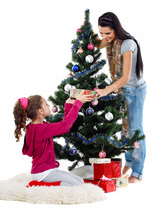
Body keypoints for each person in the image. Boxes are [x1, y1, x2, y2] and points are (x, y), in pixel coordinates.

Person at [95, 12, 147, 183]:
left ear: (116, 29)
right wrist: (85, 37)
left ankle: (137, 172)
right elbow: (96, 45)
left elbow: (124, 78)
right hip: (122, 91)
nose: (105, 37)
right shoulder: (111, 40)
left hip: (134, 91)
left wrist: (105, 91)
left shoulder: (127, 44)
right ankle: (129, 161)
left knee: (135, 131)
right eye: (101, 33)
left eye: (108, 33)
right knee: (125, 130)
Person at [13, 92, 93, 186]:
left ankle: (43, 183)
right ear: (40, 111)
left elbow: (63, 127)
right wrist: (77, 103)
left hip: (49, 170)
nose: (49, 105)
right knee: (75, 185)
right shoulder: (39, 129)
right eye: (46, 104)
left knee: (80, 181)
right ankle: (39, 185)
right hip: (43, 174)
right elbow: (65, 126)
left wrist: (68, 105)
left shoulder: (40, 126)